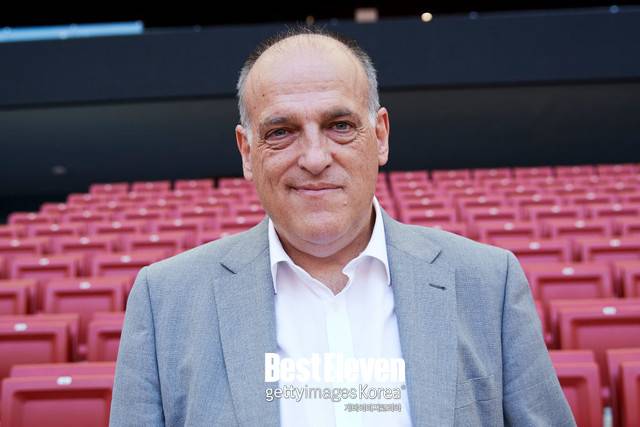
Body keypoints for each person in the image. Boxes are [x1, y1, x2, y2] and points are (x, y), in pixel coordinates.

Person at [110, 27, 575, 426]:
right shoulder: (164, 301)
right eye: (281, 132)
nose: (314, 158)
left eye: (339, 125)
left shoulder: (489, 284)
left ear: (380, 136)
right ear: (247, 153)